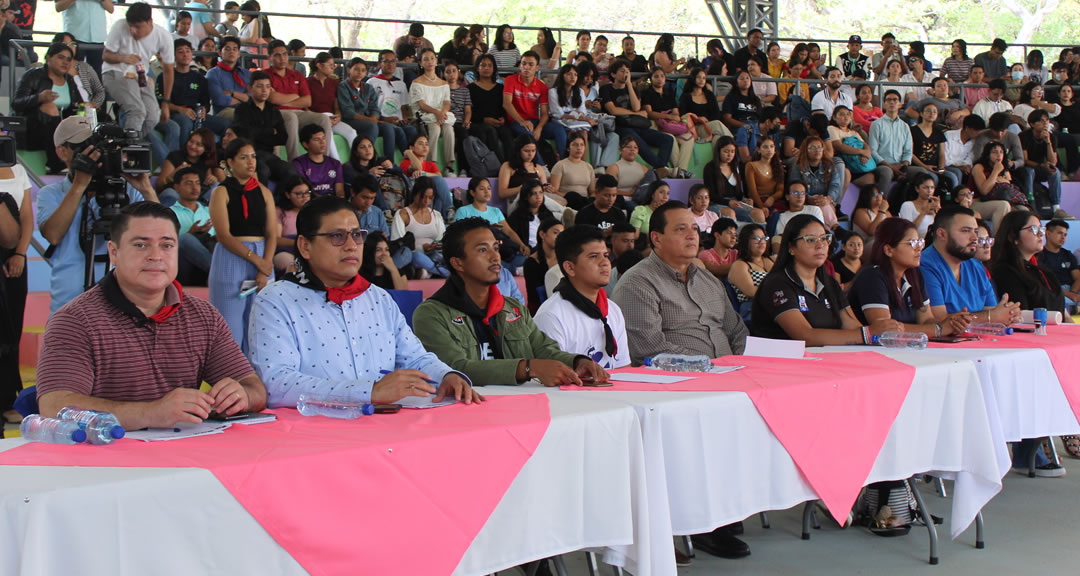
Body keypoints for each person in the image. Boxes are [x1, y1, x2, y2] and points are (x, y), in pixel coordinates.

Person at [34, 200, 267, 430]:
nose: (156, 256)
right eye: (140, 245)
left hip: (185, 460)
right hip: (102, 460)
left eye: (167, 245)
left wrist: (241, 395)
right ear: (113, 253)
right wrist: (151, 413)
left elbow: (254, 388)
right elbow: (55, 405)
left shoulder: (204, 316)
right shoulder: (74, 320)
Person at [250, 196, 479, 408]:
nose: (351, 245)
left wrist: (447, 376)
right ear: (305, 246)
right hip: (316, 439)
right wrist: (369, 391)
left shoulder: (378, 298)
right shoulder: (276, 301)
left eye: (357, 235)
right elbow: (277, 384)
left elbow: (415, 358)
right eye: (337, 236)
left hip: (385, 432)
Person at [413, 217, 606, 386]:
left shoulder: (512, 308)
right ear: (458, 263)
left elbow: (544, 349)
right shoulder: (431, 314)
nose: (495, 256)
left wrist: (577, 362)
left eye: (496, 248)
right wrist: (527, 368)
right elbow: (455, 368)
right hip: (466, 413)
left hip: (519, 408)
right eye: (482, 249)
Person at [37, 117, 158, 316]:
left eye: (98, 147)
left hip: (123, 303)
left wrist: (145, 189)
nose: (95, 154)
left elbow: (160, 230)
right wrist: (79, 186)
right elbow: (53, 235)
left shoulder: (126, 189)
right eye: (84, 147)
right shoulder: (51, 193)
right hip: (69, 304)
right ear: (62, 151)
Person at [988, 210, 1068, 477]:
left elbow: (1059, 307)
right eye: (1032, 230)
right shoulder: (1004, 271)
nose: (1040, 234)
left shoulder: (1042, 268)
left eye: (1040, 229)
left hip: (1053, 341)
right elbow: (1018, 312)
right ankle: (1027, 450)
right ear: (1013, 237)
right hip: (1023, 344)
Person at [752, 214, 902, 344]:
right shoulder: (777, 284)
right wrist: (867, 334)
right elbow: (805, 336)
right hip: (781, 366)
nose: (820, 245)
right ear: (791, 247)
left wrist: (882, 332)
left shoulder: (829, 283)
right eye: (810, 240)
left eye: (824, 238)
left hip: (825, 361)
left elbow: (852, 326)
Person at [207, 138, 277, 353]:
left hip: (262, 257)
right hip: (232, 257)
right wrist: (256, 260)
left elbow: (272, 232)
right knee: (231, 329)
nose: (250, 162)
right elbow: (223, 235)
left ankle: (257, 383)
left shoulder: (264, 192)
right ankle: (231, 379)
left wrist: (265, 265)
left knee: (259, 330)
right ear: (230, 162)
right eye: (243, 157)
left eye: (253, 156)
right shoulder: (221, 191)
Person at [848, 217, 971, 338]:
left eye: (920, 242)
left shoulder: (915, 275)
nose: (919, 248)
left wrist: (951, 323)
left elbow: (925, 320)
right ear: (889, 250)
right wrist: (939, 329)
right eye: (912, 243)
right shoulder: (872, 277)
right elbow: (886, 329)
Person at [534, 225, 630, 369]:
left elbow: (623, 369)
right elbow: (552, 377)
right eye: (593, 257)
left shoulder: (613, 309)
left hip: (611, 390)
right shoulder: (551, 316)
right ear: (570, 268)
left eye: (605, 255)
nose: (605, 263)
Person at [919, 205, 1022, 324]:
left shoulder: (976, 266)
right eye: (966, 231)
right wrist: (991, 317)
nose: (974, 238)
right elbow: (940, 320)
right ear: (942, 234)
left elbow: (992, 311)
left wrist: (1008, 314)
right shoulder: (924, 265)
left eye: (976, 232)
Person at [102, 3, 174, 163]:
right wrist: (123, 58)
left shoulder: (163, 36)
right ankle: (128, 153)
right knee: (137, 111)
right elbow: (106, 55)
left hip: (139, 76)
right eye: (131, 27)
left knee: (153, 116)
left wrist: (166, 103)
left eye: (138, 27)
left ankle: (126, 145)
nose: (133, 31)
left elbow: (169, 70)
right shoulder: (119, 26)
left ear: (150, 22)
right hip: (115, 71)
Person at [13, 42, 83, 173]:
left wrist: (87, 106)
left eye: (69, 59)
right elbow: (17, 103)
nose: (65, 62)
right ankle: (56, 163)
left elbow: (77, 105)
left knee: (87, 115)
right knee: (49, 106)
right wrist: (39, 98)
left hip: (61, 126)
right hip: (32, 126)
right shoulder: (33, 75)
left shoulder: (69, 80)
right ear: (48, 58)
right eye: (60, 57)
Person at [262, 40, 336, 163]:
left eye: (285, 54)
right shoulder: (265, 75)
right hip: (275, 113)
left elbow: (307, 101)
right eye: (277, 55)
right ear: (269, 57)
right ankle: (294, 161)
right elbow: (272, 99)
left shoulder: (297, 75)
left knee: (323, 119)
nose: (282, 58)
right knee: (291, 117)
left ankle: (324, 161)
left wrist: (283, 101)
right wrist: (295, 96)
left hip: (298, 112)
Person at [601, 59, 674, 172]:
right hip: (620, 126)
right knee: (636, 141)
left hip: (638, 125)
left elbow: (636, 107)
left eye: (627, 71)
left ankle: (659, 167)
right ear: (613, 74)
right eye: (622, 71)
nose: (625, 74)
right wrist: (635, 113)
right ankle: (660, 167)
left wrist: (629, 84)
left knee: (668, 139)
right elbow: (613, 110)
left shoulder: (633, 89)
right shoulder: (606, 89)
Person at [0, 157, 29, 423]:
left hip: (11, 261)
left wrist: (20, 253)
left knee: (9, 331)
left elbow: (25, 219)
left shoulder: (17, 169)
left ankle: (8, 398)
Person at [231, 70, 296, 186]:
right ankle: (260, 203)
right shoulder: (242, 110)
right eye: (259, 86)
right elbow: (245, 135)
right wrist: (270, 131)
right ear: (250, 88)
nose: (264, 90)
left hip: (268, 154)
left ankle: (281, 203)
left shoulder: (273, 111)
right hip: (251, 155)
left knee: (289, 170)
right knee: (263, 171)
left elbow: (282, 138)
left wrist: (258, 133)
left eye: (267, 86)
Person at [160, 38, 227, 148]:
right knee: (185, 122)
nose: (185, 55)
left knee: (225, 125)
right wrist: (180, 109)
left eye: (188, 51)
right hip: (175, 114)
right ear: (173, 55)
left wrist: (204, 109)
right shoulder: (166, 76)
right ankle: (183, 159)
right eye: (180, 52)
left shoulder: (199, 78)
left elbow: (205, 101)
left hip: (196, 115)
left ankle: (217, 158)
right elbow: (161, 101)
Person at [455, 177, 530, 271]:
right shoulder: (464, 211)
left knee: (524, 257)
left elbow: (509, 232)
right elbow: (458, 234)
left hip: (499, 247)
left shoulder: (495, 211)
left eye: (489, 188)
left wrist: (521, 245)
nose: (487, 192)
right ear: (472, 192)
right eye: (482, 189)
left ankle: (508, 268)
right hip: (479, 248)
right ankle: (511, 269)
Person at [390, 177, 449, 280]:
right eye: (423, 197)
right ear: (415, 194)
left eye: (430, 198)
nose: (426, 201)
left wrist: (436, 245)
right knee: (417, 256)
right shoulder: (403, 214)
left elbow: (441, 238)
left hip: (435, 255)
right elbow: (398, 245)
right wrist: (422, 248)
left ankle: (428, 271)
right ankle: (443, 272)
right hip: (415, 255)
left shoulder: (436, 215)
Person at [409, 48, 456, 175]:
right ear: (421, 63)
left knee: (448, 129)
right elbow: (422, 105)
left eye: (432, 58)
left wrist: (443, 113)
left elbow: (447, 102)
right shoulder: (417, 82)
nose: (429, 61)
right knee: (435, 128)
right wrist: (437, 112)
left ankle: (449, 166)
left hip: (441, 115)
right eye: (425, 59)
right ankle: (431, 163)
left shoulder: (444, 83)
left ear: (436, 61)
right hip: (425, 115)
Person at [642, 67, 694, 178]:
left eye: (662, 76)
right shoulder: (647, 93)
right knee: (670, 138)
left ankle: (681, 170)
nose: (659, 79)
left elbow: (676, 113)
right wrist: (667, 116)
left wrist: (673, 117)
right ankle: (680, 172)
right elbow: (649, 113)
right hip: (656, 125)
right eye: (656, 76)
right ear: (651, 79)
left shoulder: (669, 94)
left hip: (672, 125)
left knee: (689, 138)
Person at [1019, 109, 1072, 219]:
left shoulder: (1052, 137)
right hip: (1025, 168)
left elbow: (1053, 161)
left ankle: (1056, 208)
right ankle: (1029, 204)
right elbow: (1024, 160)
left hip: (1042, 167)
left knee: (1055, 171)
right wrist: (1041, 166)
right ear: (1032, 124)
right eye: (1041, 121)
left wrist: (1048, 142)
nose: (1045, 123)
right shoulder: (1024, 136)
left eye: (1047, 120)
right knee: (1030, 171)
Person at [168, 166, 214, 284]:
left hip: (209, 257)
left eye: (197, 183)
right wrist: (191, 232)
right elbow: (166, 247)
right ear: (176, 187)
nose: (195, 188)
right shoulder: (169, 213)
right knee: (185, 239)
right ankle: (217, 273)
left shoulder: (210, 211)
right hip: (184, 267)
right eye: (189, 183)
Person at [367, 49, 418, 156]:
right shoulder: (372, 82)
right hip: (381, 121)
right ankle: (399, 162)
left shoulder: (400, 84)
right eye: (386, 61)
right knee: (395, 131)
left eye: (393, 61)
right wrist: (384, 119)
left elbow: (404, 106)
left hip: (398, 122)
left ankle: (412, 162)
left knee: (411, 131)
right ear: (379, 63)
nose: (390, 64)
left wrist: (404, 119)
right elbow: (368, 107)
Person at [306, 52, 356, 157]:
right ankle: (336, 164)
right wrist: (320, 117)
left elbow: (337, 105)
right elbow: (305, 107)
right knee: (329, 136)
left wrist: (338, 116)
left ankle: (356, 164)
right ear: (319, 65)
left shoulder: (335, 83)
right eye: (330, 65)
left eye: (334, 65)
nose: (333, 67)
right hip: (315, 118)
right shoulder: (307, 82)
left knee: (351, 132)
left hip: (332, 117)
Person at [704, 136, 764, 223]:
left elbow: (738, 193)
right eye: (726, 151)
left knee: (759, 213)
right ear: (718, 151)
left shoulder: (735, 167)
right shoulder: (710, 168)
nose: (730, 155)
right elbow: (711, 195)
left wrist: (744, 200)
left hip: (734, 203)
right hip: (717, 203)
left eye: (732, 152)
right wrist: (728, 202)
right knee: (730, 213)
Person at [870, 90, 918, 194]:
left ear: (900, 104)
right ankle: (882, 205)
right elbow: (873, 151)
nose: (892, 102)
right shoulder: (876, 124)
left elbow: (908, 151)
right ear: (884, 104)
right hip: (882, 165)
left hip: (901, 165)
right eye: (888, 100)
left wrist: (904, 165)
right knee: (886, 172)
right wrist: (890, 166)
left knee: (922, 173)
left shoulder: (905, 126)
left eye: (895, 100)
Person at [336, 57, 385, 154]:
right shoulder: (343, 86)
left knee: (389, 128)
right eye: (356, 69)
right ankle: (366, 155)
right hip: (350, 120)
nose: (360, 73)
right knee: (372, 126)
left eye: (363, 70)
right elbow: (347, 111)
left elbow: (374, 107)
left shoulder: (368, 87)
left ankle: (389, 160)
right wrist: (369, 120)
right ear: (349, 70)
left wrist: (374, 117)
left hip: (368, 120)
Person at [791, 136, 843, 227]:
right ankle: (835, 228)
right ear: (806, 150)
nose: (817, 150)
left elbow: (835, 186)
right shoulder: (798, 168)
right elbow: (794, 187)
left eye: (820, 147)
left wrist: (828, 198)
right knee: (820, 209)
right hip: (806, 203)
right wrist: (808, 198)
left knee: (824, 206)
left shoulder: (830, 166)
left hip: (826, 202)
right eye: (813, 148)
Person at [467, 53, 506, 162]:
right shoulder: (470, 88)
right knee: (489, 131)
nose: (486, 68)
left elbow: (504, 108)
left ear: (494, 68)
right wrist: (484, 120)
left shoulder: (500, 88)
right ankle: (498, 164)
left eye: (490, 65)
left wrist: (503, 119)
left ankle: (512, 164)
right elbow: (469, 111)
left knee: (507, 133)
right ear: (477, 68)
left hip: (498, 123)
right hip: (478, 123)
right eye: (483, 65)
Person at [55, 0, 113, 74]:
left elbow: (111, 9)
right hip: (75, 36)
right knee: (72, 72)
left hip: (98, 37)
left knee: (97, 74)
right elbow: (58, 7)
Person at [679, 67, 733, 146]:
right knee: (717, 124)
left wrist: (707, 120)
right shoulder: (686, 97)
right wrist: (698, 119)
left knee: (717, 139)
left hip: (710, 125)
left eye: (704, 78)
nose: (702, 80)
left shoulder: (709, 94)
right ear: (693, 78)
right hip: (696, 128)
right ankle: (734, 144)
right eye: (699, 77)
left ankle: (722, 156)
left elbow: (716, 114)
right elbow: (683, 115)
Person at [291, 124, 344, 198]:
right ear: (305, 144)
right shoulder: (298, 164)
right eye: (317, 139)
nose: (322, 142)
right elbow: (306, 192)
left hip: (333, 204)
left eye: (323, 138)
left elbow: (339, 191)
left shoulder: (335, 164)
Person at [271, 174, 310, 274]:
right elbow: (275, 239)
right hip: (286, 250)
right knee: (292, 265)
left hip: (310, 249)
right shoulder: (280, 212)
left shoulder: (314, 212)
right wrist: (298, 243)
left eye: (307, 193)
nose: (304, 197)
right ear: (288, 195)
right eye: (299, 194)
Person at [972, 140, 1028, 211]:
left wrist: (1000, 180)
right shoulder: (979, 167)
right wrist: (996, 172)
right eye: (994, 152)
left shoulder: (1004, 168)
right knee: (1003, 205)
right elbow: (984, 191)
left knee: (1023, 210)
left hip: (1001, 199)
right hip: (978, 201)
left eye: (1001, 152)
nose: (998, 155)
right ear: (987, 154)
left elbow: (1008, 185)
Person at [523, 217, 563, 313]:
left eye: (562, 234)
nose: (559, 237)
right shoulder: (531, 263)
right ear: (542, 234)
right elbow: (535, 297)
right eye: (555, 233)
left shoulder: (565, 259)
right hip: (542, 309)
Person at [205, 36, 250, 121]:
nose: (231, 52)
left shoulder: (246, 73)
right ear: (219, 52)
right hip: (224, 112)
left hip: (246, 109)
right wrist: (243, 99)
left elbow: (253, 97)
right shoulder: (213, 73)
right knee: (247, 117)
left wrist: (232, 93)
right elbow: (219, 99)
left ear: (239, 53)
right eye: (227, 49)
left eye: (234, 49)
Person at [1038, 220, 1080, 307]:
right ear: (1048, 234)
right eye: (1060, 233)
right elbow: (1043, 282)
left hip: (1071, 290)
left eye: (1065, 235)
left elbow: (1077, 278)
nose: (1063, 237)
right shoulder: (1040, 256)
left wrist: (1073, 292)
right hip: (1053, 290)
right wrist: (1068, 294)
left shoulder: (1068, 255)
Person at [943, 114, 984, 203]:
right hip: (946, 166)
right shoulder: (949, 136)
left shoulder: (974, 142)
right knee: (957, 173)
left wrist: (967, 166)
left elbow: (970, 158)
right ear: (967, 128)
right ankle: (955, 200)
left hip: (963, 168)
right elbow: (945, 159)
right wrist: (960, 167)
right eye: (976, 130)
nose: (978, 134)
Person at [550, 132, 596, 209]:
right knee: (574, 196)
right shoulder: (560, 165)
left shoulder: (589, 167)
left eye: (582, 145)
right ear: (568, 148)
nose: (579, 148)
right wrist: (569, 196)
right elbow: (554, 191)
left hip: (585, 201)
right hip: (568, 200)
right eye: (575, 145)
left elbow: (592, 191)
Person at [744, 137, 784, 214]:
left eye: (772, 146)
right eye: (765, 147)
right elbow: (753, 192)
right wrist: (762, 207)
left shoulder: (778, 167)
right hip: (757, 201)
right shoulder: (751, 166)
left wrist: (772, 198)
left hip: (772, 201)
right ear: (759, 150)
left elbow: (780, 190)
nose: (769, 150)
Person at [897, 172, 941, 239]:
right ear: (917, 189)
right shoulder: (908, 205)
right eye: (925, 188)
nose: (929, 191)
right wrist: (923, 213)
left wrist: (939, 210)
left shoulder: (934, 206)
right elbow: (907, 231)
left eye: (932, 188)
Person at [606, 137, 650, 201]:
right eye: (628, 147)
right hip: (619, 200)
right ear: (620, 149)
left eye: (635, 147)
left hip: (640, 200)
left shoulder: (644, 169)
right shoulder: (613, 168)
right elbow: (608, 190)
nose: (632, 149)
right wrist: (629, 194)